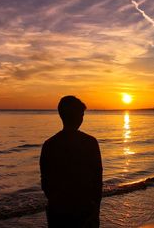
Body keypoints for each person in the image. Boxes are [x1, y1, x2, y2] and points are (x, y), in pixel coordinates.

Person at [40, 96, 103, 227]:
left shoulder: (49, 145)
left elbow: (45, 182)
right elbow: (97, 181)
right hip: (84, 211)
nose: (82, 118)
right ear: (79, 117)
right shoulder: (90, 143)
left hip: (58, 212)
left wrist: (56, 202)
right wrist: (95, 209)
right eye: (82, 114)